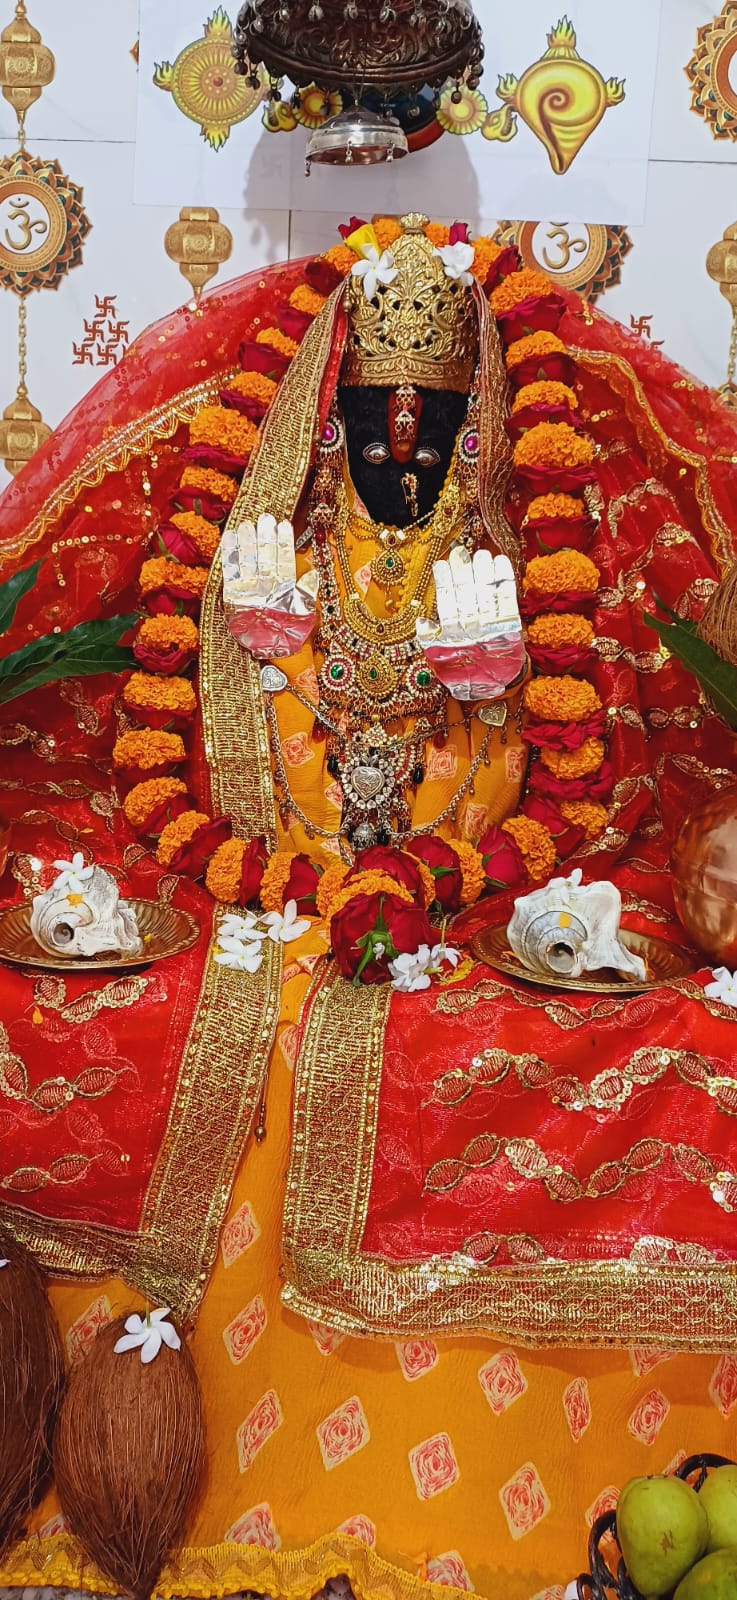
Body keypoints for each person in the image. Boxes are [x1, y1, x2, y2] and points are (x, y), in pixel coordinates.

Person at [1, 212, 737, 1600]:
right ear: (328, 415)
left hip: (450, 900)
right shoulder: (270, 553)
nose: (402, 438)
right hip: (279, 886)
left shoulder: (514, 566)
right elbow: (213, 770)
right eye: (377, 410)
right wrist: (272, 670)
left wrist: (484, 709)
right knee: (237, 1002)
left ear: (473, 422)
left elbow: (547, 789)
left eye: (432, 414)